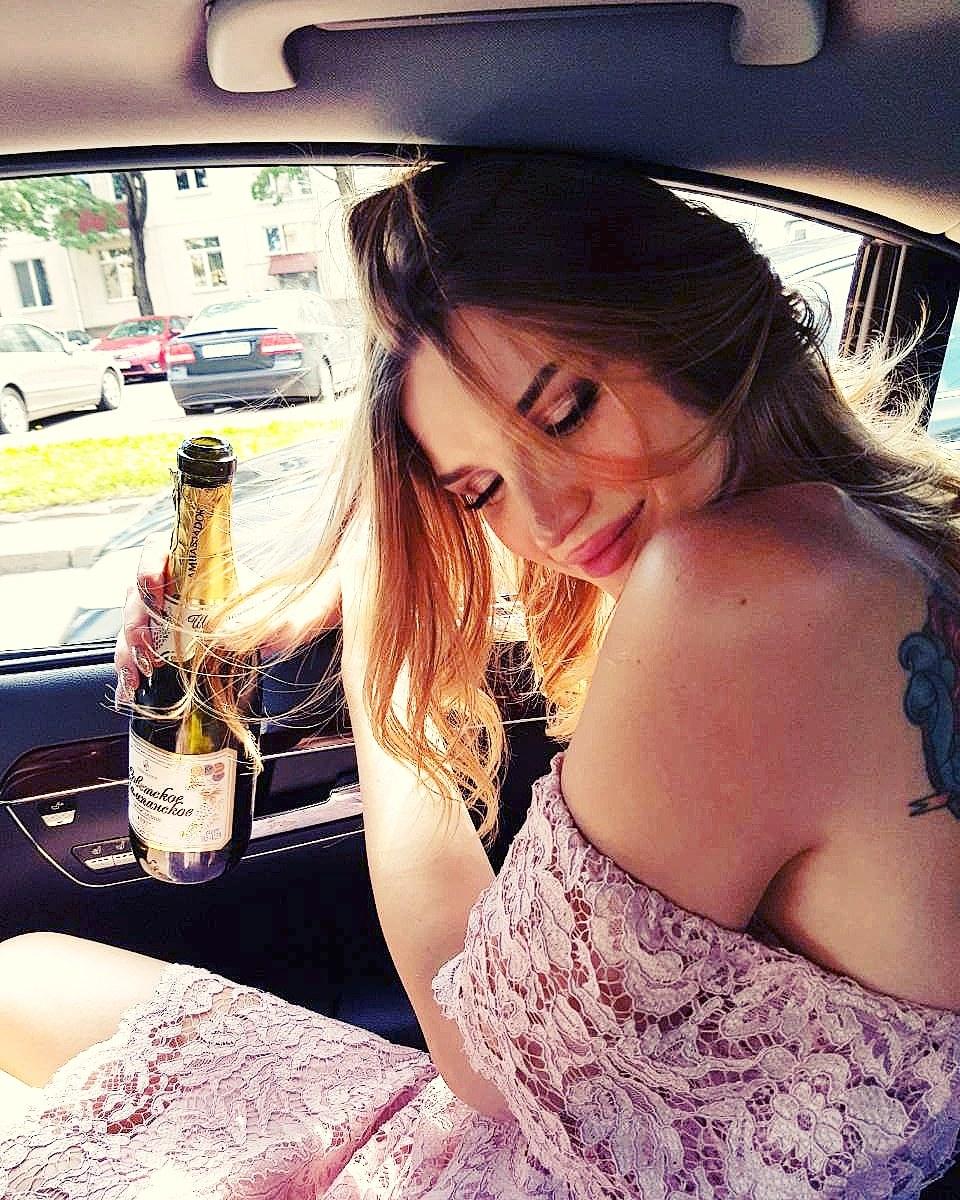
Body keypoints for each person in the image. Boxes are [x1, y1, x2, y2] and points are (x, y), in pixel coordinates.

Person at [1, 152, 959, 1198]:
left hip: (521, 1162)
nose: (544, 519)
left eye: (566, 412)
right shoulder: (896, 544)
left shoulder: (738, 584)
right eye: (480, 490)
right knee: (24, 973)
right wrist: (353, 591)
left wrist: (389, 669)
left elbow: (484, 1060)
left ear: (690, 319)